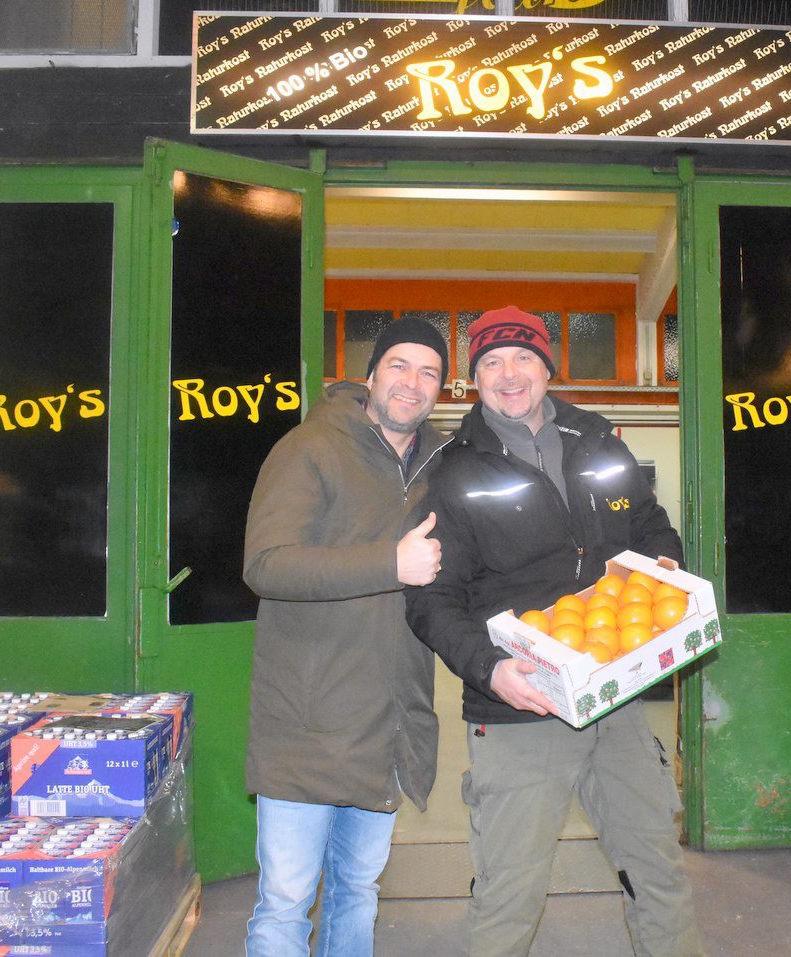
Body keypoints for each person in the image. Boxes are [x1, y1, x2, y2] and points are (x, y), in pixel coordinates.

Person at [405, 306, 704, 957]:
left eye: (522, 357)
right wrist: (491, 670)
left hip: (615, 690)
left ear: (547, 367)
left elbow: (649, 522)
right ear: (473, 379)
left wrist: (664, 567)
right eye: (491, 362)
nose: (509, 374)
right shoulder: (453, 470)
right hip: (522, 704)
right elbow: (431, 600)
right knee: (510, 891)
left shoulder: (598, 441)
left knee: (656, 867)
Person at [242, 318, 450, 957]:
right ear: (371, 374)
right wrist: (390, 563)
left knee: (357, 891)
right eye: (399, 365)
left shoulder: (439, 466)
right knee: (285, 903)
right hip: (307, 723)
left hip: (387, 724)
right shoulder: (310, 447)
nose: (412, 382)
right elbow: (267, 565)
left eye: (429, 372)